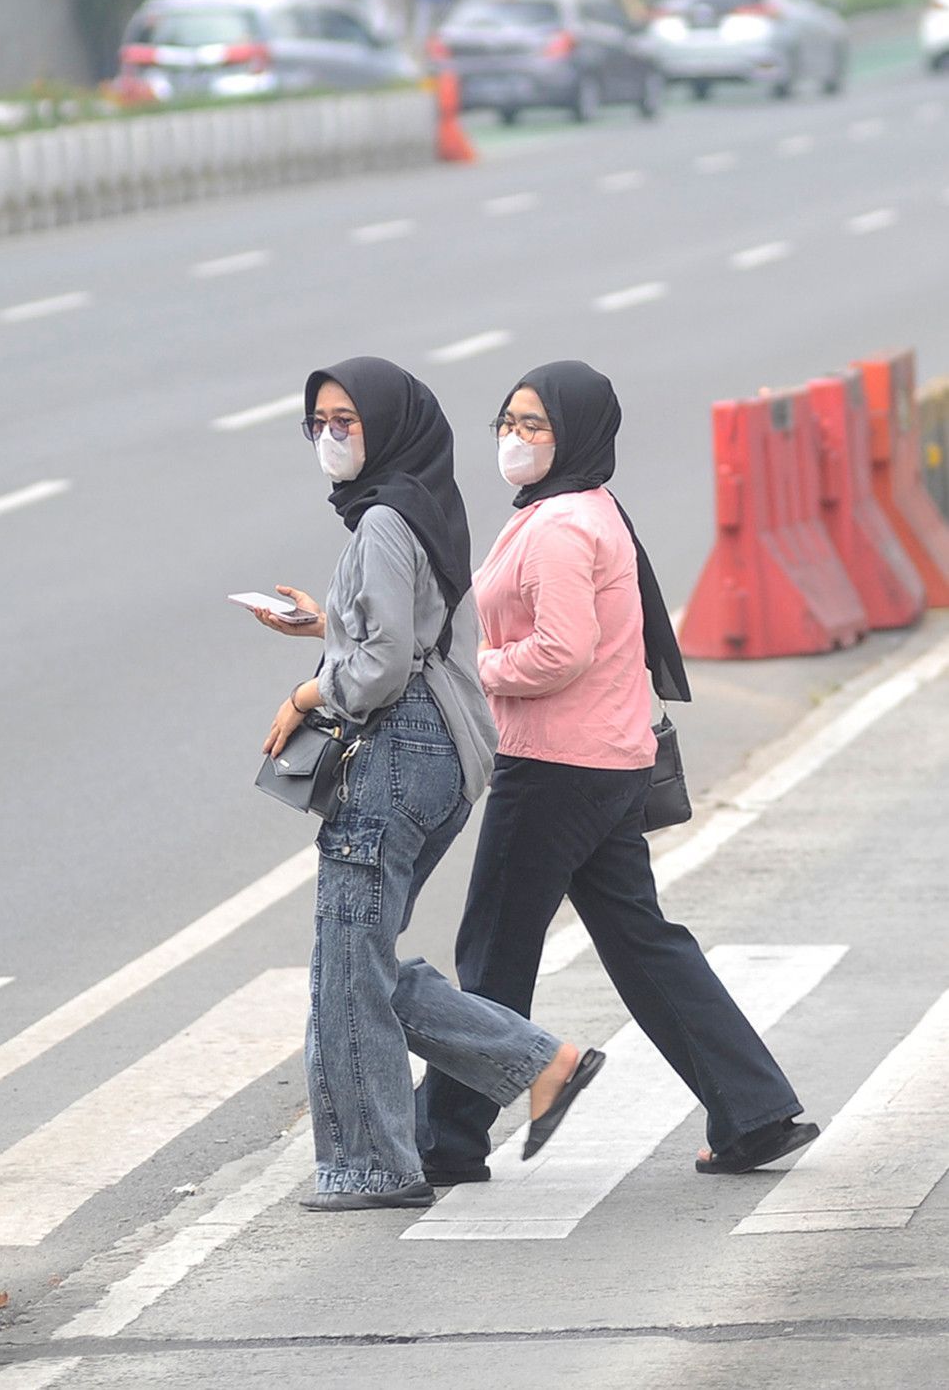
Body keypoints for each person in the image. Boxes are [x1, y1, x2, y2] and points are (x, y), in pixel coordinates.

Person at [418, 360, 819, 1185]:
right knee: (643, 945)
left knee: (494, 952)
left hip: (558, 768)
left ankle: (446, 1142)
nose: (516, 439)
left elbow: (561, 652)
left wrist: (476, 667)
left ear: (576, 435)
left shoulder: (563, 524)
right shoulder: (580, 508)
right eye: (508, 423)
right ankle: (755, 1112)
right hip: (604, 763)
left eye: (536, 426)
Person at [253, 356, 605, 1210]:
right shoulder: (422, 504)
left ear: (388, 425)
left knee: (346, 965)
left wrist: (311, 689)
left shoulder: (380, 520)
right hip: (447, 756)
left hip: (398, 756)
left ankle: (376, 1165)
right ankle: (537, 1063)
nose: (331, 438)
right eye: (319, 423)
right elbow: (407, 631)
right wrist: (325, 624)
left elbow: (377, 671)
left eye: (348, 421)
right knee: (356, 959)